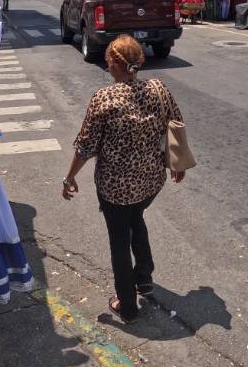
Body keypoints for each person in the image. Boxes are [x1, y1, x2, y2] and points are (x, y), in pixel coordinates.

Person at [62, 35, 185, 323]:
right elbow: (176, 123)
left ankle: (127, 306)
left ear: (113, 64)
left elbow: (85, 147)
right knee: (136, 218)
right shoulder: (158, 89)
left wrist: (69, 177)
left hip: (115, 189)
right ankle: (143, 278)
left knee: (119, 240)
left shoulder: (104, 98)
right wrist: (178, 165)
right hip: (151, 181)